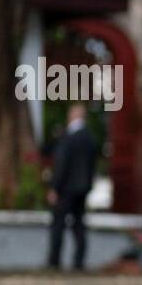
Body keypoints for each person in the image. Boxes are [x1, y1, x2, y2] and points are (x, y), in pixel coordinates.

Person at [47, 102, 97, 271]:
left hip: (66, 188)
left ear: (73, 115)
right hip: (82, 189)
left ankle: (54, 260)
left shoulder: (68, 138)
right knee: (79, 225)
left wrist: (55, 186)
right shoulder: (90, 138)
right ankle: (79, 261)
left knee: (59, 224)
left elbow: (62, 164)